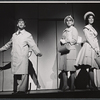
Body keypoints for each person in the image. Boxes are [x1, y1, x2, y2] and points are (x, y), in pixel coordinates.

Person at [0, 18, 42, 94]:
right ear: (17, 24)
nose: (21, 23)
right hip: (15, 57)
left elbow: (33, 45)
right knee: (16, 74)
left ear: (25, 25)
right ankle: (16, 90)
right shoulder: (14, 35)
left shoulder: (27, 35)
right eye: (19, 22)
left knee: (23, 73)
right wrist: (0, 49)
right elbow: (8, 44)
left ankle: (22, 91)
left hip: (23, 57)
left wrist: (37, 52)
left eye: (23, 23)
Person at [74, 11, 100, 90]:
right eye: (90, 18)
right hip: (89, 47)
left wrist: (98, 49)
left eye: (92, 18)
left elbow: (95, 40)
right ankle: (92, 84)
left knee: (92, 67)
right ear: (87, 20)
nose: (91, 19)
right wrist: (95, 48)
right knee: (90, 66)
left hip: (93, 47)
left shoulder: (93, 28)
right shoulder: (86, 28)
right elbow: (89, 39)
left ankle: (91, 84)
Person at [59, 15, 78, 91]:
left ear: (72, 22)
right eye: (67, 20)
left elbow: (75, 40)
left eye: (70, 20)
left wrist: (66, 41)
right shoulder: (64, 30)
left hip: (71, 50)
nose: (69, 22)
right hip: (64, 50)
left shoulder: (74, 29)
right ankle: (65, 85)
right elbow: (63, 39)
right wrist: (62, 41)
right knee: (64, 68)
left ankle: (72, 85)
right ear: (65, 22)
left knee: (72, 69)